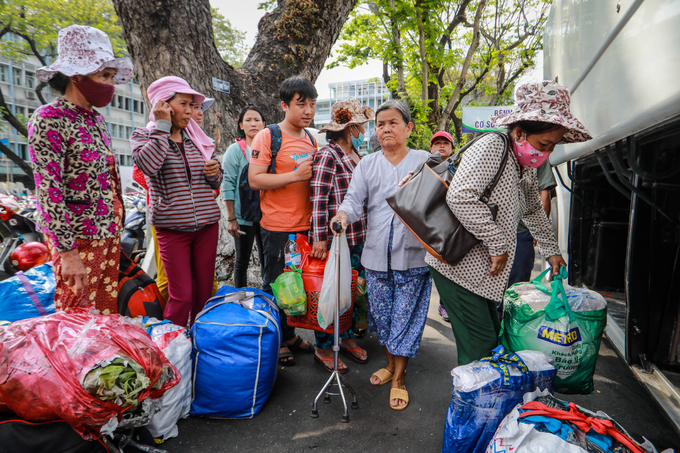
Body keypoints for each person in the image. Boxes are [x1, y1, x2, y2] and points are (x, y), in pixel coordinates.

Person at [427, 81, 591, 366]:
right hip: (457, 267)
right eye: (544, 144)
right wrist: (497, 244)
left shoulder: (523, 165)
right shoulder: (492, 145)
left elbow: (533, 209)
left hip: (482, 272)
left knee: (491, 343)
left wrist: (552, 250)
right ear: (519, 132)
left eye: (552, 146)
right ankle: (471, 405)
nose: (547, 153)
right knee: (480, 349)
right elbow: (461, 196)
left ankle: (482, 403)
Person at [332, 100, 432, 411]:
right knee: (385, 320)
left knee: (405, 320)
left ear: (408, 128)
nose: (385, 129)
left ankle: (399, 378)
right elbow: (353, 200)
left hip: (413, 257)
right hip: (375, 257)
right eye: (380, 124)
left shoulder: (425, 161)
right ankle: (390, 365)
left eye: (393, 123)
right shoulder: (367, 164)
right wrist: (342, 216)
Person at [29, 25, 134, 314]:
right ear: (76, 76)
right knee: (76, 321)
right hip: (78, 241)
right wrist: (68, 253)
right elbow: (48, 192)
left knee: (105, 316)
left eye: (112, 77)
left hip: (108, 235)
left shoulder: (95, 120)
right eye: (104, 76)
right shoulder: (49, 118)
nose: (111, 84)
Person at [131, 76, 223, 327]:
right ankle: (173, 350)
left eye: (192, 105)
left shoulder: (196, 138)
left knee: (204, 294)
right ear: (164, 105)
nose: (191, 111)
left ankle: (201, 347)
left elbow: (215, 182)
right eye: (184, 104)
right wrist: (162, 126)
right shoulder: (144, 136)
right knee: (181, 296)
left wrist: (215, 174)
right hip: (172, 229)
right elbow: (149, 165)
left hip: (206, 226)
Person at [248, 76, 317, 366]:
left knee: (299, 285)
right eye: (301, 104)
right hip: (277, 227)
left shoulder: (312, 138)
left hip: (306, 227)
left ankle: (288, 334)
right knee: (276, 284)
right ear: (284, 105)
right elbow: (255, 179)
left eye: (312, 104)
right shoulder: (269, 135)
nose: (308, 111)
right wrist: (294, 175)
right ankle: (275, 339)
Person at [310, 99, 373, 373]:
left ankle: (345, 338)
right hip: (336, 239)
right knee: (332, 292)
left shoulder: (356, 154)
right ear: (349, 127)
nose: (364, 127)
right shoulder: (328, 155)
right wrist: (319, 238)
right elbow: (318, 199)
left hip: (359, 236)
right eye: (360, 123)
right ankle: (323, 345)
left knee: (351, 292)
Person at [221, 105, 267, 288]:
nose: (253, 124)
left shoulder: (270, 149)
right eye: (248, 120)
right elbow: (228, 184)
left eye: (257, 120)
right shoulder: (234, 151)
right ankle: (239, 300)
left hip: (268, 216)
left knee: (268, 261)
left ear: (264, 124)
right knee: (242, 261)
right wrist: (231, 218)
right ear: (241, 125)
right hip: (242, 218)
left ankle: (268, 301)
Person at [506, 159, 556, 287]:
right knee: (514, 288)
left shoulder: (538, 156)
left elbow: (543, 195)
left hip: (520, 233)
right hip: (499, 233)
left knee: (515, 288)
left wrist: (538, 233)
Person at [429, 130, 456, 322]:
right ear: (430, 148)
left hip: (454, 227)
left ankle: (447, 303)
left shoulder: (461, 168)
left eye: (445, 143)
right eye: (437, 143)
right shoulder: (426, 168)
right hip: (431, 227)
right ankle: (444, 303)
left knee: (452, 266)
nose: (441, 146)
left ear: (452, 148)